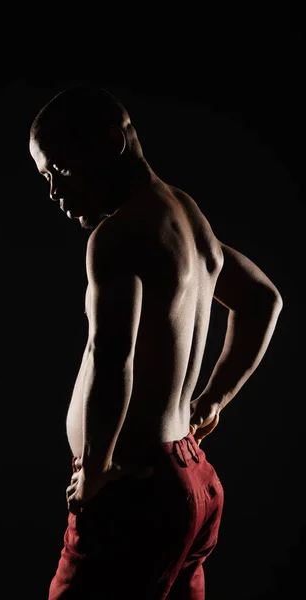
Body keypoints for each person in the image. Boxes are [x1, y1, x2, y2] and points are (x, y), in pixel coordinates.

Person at [29, 86, 283, 599]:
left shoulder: (119, 234)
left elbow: (110, 355)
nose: (55, 192)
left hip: (133, 488)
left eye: (58, 171)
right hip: (191, 480)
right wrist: (213, 399)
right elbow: (262, 300)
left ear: (109, 142)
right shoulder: (187, 219)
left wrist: (96, 468)